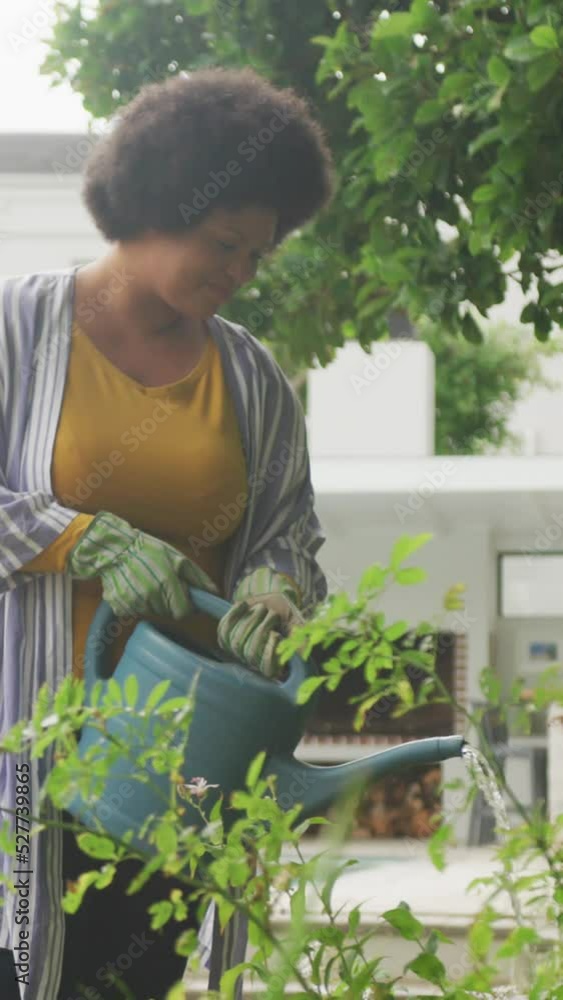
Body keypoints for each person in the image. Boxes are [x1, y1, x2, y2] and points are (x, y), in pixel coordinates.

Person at [0, 65, 334, 999]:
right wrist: (79, 537)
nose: (239, 272)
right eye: (223, 243)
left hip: (177, 777)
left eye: (257, 256)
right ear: (150, 204)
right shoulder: (18, 329)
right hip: (26, 761)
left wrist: (274, 588)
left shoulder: (251, 376)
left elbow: (287, 531)